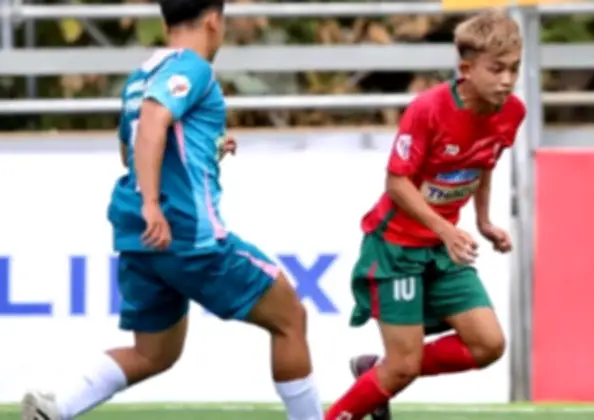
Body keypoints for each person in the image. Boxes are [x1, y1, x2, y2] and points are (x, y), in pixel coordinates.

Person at [21, 1, 323, 419]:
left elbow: (130, 151)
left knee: (153, 353)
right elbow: (153, 123)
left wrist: (205, 152)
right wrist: (153, 204)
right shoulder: (193, 67)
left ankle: (57, 409)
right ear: (213, 20)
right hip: (184, 233)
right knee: (289, 317)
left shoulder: (140, 76)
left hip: (140, 239)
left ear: (165, 21)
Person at [324, 10, 526, 420]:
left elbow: (484, 161)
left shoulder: (512, 112)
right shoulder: (428, 109)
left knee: (488, 345)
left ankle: (379, 372)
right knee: (403, 366)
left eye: (514, 68)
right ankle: (374, 384)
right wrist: (446, 229)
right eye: (497, 69)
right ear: (466, 69)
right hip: (396, 249)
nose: (507, 79)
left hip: (441, 250)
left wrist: (483, 221)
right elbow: (397, 184)